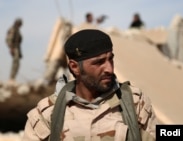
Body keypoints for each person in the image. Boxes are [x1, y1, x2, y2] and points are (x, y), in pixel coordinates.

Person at [22, 29, 158, 141]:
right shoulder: (46, 114)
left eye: (110, 59)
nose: (109, 69)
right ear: (75, 67)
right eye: (99, 63)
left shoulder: (135, 102)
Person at [5, 18, 23, 85]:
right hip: (14, 47)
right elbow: (10, 39)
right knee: (15, 62)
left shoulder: (17, 30)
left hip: (16, 47)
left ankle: (13, 78)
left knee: (17, 63)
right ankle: (11, 78)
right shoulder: (13, 29)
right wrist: (11, 48)